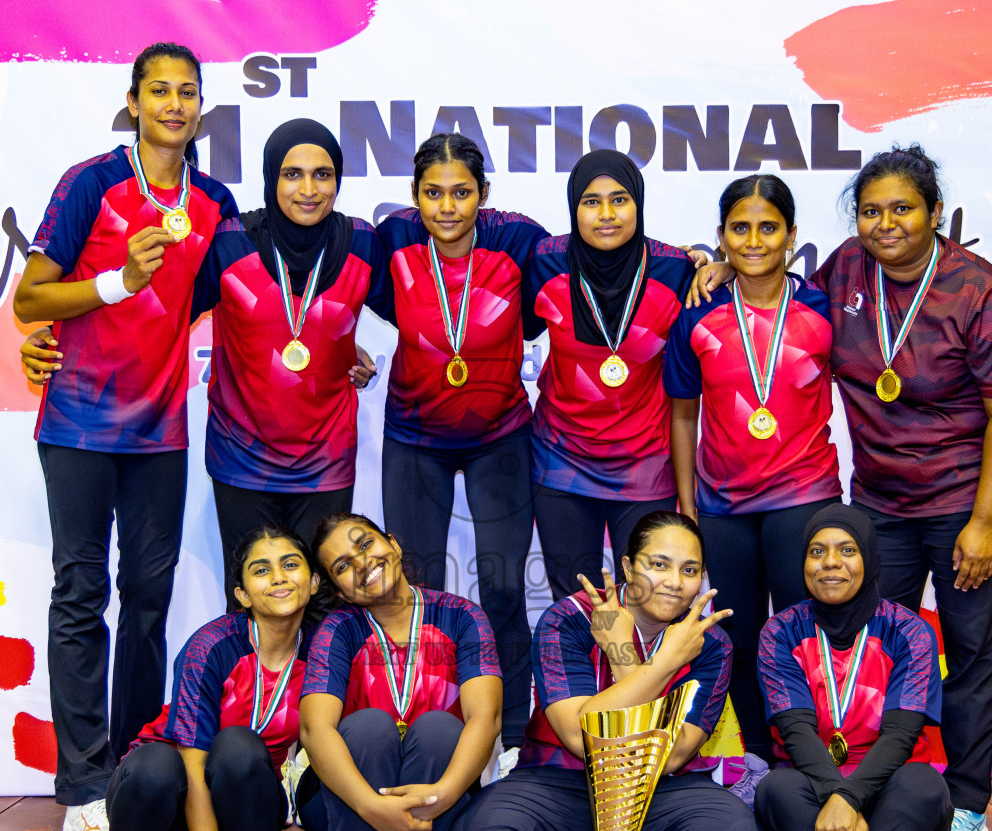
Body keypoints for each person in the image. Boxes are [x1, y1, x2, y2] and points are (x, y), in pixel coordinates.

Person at [692, 145, 992, 831]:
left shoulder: (987, 296)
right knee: (869, 653)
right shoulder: (845, 270)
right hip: (879, 508)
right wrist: (719, 269)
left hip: (966, 504)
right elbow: (774, 297)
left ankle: (966, 801)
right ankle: (870, 788)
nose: (886, 224)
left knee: (970, 652)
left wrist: (984, 522)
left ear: (935, 214)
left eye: (902, 209)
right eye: (871, 210)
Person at [12, 42, 238, 831]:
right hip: (76, 422)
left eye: (188, 93)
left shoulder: (213, 200)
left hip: (160, 431)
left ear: (200, 108)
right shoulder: (92, 183)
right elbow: (29, 298)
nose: (174, 105)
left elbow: (246, 297)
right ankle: (80, 784)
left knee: (146, 600)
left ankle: (133, 768)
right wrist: (115, 284)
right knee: (80, 595)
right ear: (133, 102)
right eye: (160, 92)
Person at [453, 511, 764, 831]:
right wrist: (657, 668)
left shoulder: (710, 642)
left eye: (690, 570)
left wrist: (627, 663)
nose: (675, 582)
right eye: (659, 564)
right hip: (564, 783)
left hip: (661, 787)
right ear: (627, 567)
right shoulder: (570, 619)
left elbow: (676, 753)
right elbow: (582, 738)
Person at [377, 133, 549, 749]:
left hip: (499, 436)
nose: (447, 206)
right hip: (414, 436)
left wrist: (696, 256)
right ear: (414, 196)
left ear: (483, 195)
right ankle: (430, 727)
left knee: (503, 586)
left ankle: (513, 736)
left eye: (462, 192)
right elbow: (336, 294)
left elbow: (591, 259)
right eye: (433, 193)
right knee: (416, 591)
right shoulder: (392, 239)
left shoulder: (518, 240)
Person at [664, 173, 840, 770]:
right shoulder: (698, 313)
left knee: (801, 639)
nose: (754, 240)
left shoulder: (822, 308)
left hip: (803, 496)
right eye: (740, 228)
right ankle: (762, 763)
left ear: (792, 235)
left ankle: (807, 760)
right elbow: (683, 415)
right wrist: (688, 505)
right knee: (738, 643)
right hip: (722, 507)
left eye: (769, 228)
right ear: (721, 237)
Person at [755, 503, 955, 831]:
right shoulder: (780, 631)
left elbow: (902, 734)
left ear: (868, 559)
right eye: (817, 552)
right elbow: (796, 732)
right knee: (776, 788)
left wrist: (852, 798)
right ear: (802, 563)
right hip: (814, 796)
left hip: (887, 797)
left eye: (847, 551)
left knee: (925, 785)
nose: (831, 563)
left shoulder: (909, 630)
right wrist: (837, 798)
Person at [94, 524, 317, 831]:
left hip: (246, 810)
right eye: (261, 570)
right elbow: (192, 770)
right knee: (159, 764)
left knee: (239, 747)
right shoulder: (212, 645)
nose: (278, 577)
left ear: (313, 582)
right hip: (164, 808)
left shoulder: (325, 648)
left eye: (291, 565)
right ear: (242, 594)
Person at [190, 119, 389, 608]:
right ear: (269, 177)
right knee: (251, 601)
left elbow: (424, 309)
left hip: (326, 462)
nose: (308, 189)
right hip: (242, 461)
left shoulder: (362, 243)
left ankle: (318, 689)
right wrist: (55, 334)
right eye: (292, 174)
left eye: (322, 175)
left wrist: (354, 354)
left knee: (323, 604)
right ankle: (249, 688)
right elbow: (159, 315)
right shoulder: (230, 241)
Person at [297, 513, 502, 831]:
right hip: (344, 808)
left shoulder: (461, 615)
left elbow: (485, 720)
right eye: (343, 566)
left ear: (392, 542)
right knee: (369, 726)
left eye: (366, 544)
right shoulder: (338, 629)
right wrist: (373, 807)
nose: (363, 563)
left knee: (440, 730)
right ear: (340, 590)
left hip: (437, 808)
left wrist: (441, 795)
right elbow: (314, 730)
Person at [525, 151, 698, 600]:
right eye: (591, 201)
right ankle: (575, 675)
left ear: (638, 204)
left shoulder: (675, 270)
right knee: (575, 602)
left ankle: (638, 676)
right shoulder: (546, 262)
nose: (606, 215)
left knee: (647, 599)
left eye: (619, 199)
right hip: (561, 460)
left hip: (645, 464)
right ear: (572, 208)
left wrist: (719, 263)